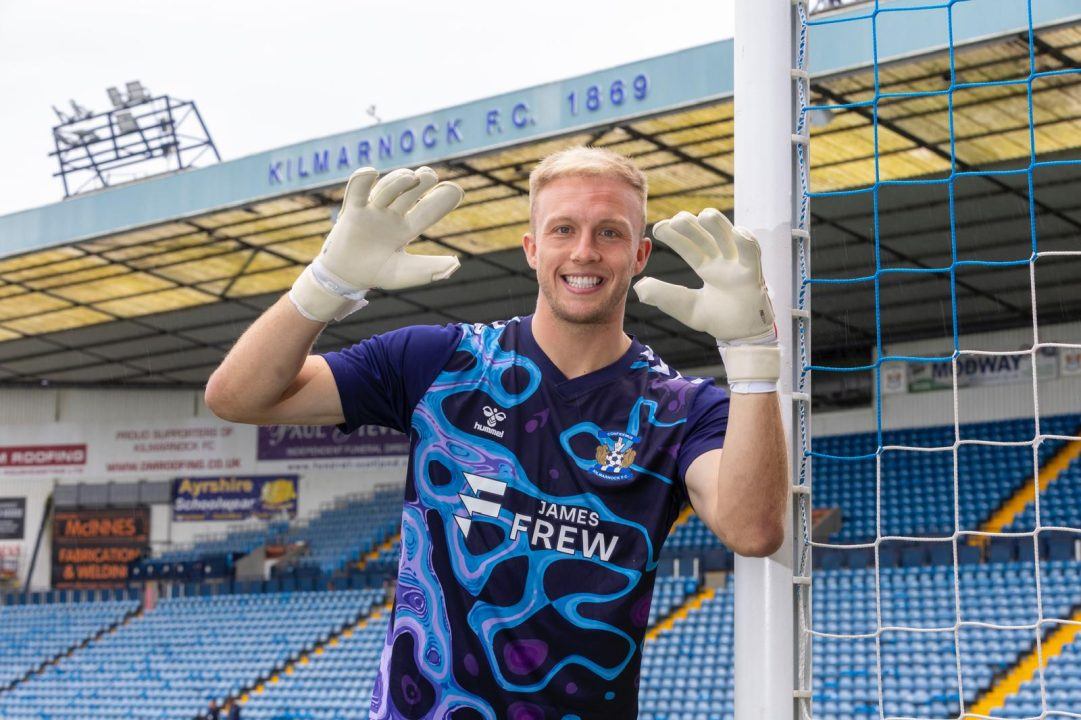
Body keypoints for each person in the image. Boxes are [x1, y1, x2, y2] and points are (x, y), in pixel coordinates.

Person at [206, 147, 787, 719]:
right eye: (563, 229)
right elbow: (236, 397)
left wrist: (753, 357)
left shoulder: (681, 408)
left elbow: (753, 529)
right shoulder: (439, 362)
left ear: (639, 255)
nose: (584, 251)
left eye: (609, 233)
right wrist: (325, 284)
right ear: (533, 249)